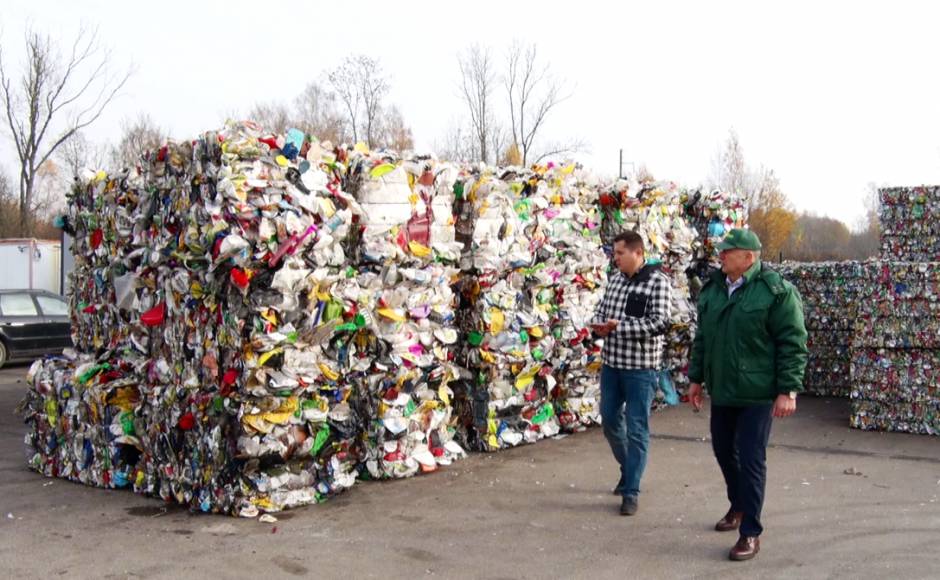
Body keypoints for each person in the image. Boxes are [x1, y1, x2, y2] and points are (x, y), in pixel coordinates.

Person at [687, 228, 808, 561]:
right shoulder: (713, 290)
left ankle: (750, 532)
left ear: (749, 257)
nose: (721, 256)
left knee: (752, 459)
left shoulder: (776, 292)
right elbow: (703, 339)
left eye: (729, 251)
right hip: (723, 389)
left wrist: (788, 389)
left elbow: (793, 343)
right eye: (722, 251)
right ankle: (738, 504)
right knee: (725, 451)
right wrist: (696, 378)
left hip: (758, 393)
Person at [591, 231, 673, 516]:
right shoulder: (614, 281)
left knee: (637, 429)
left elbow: (661, 322)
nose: (615, 259)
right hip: (613, 364)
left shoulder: (657, 282)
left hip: (641, 369)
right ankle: (629, 470)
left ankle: (632, 491)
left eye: (620, 253)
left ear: (637, 253)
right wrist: (598, 325)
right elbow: (602, 310)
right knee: (610, 420)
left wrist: (619, 328)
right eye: (614, 254)